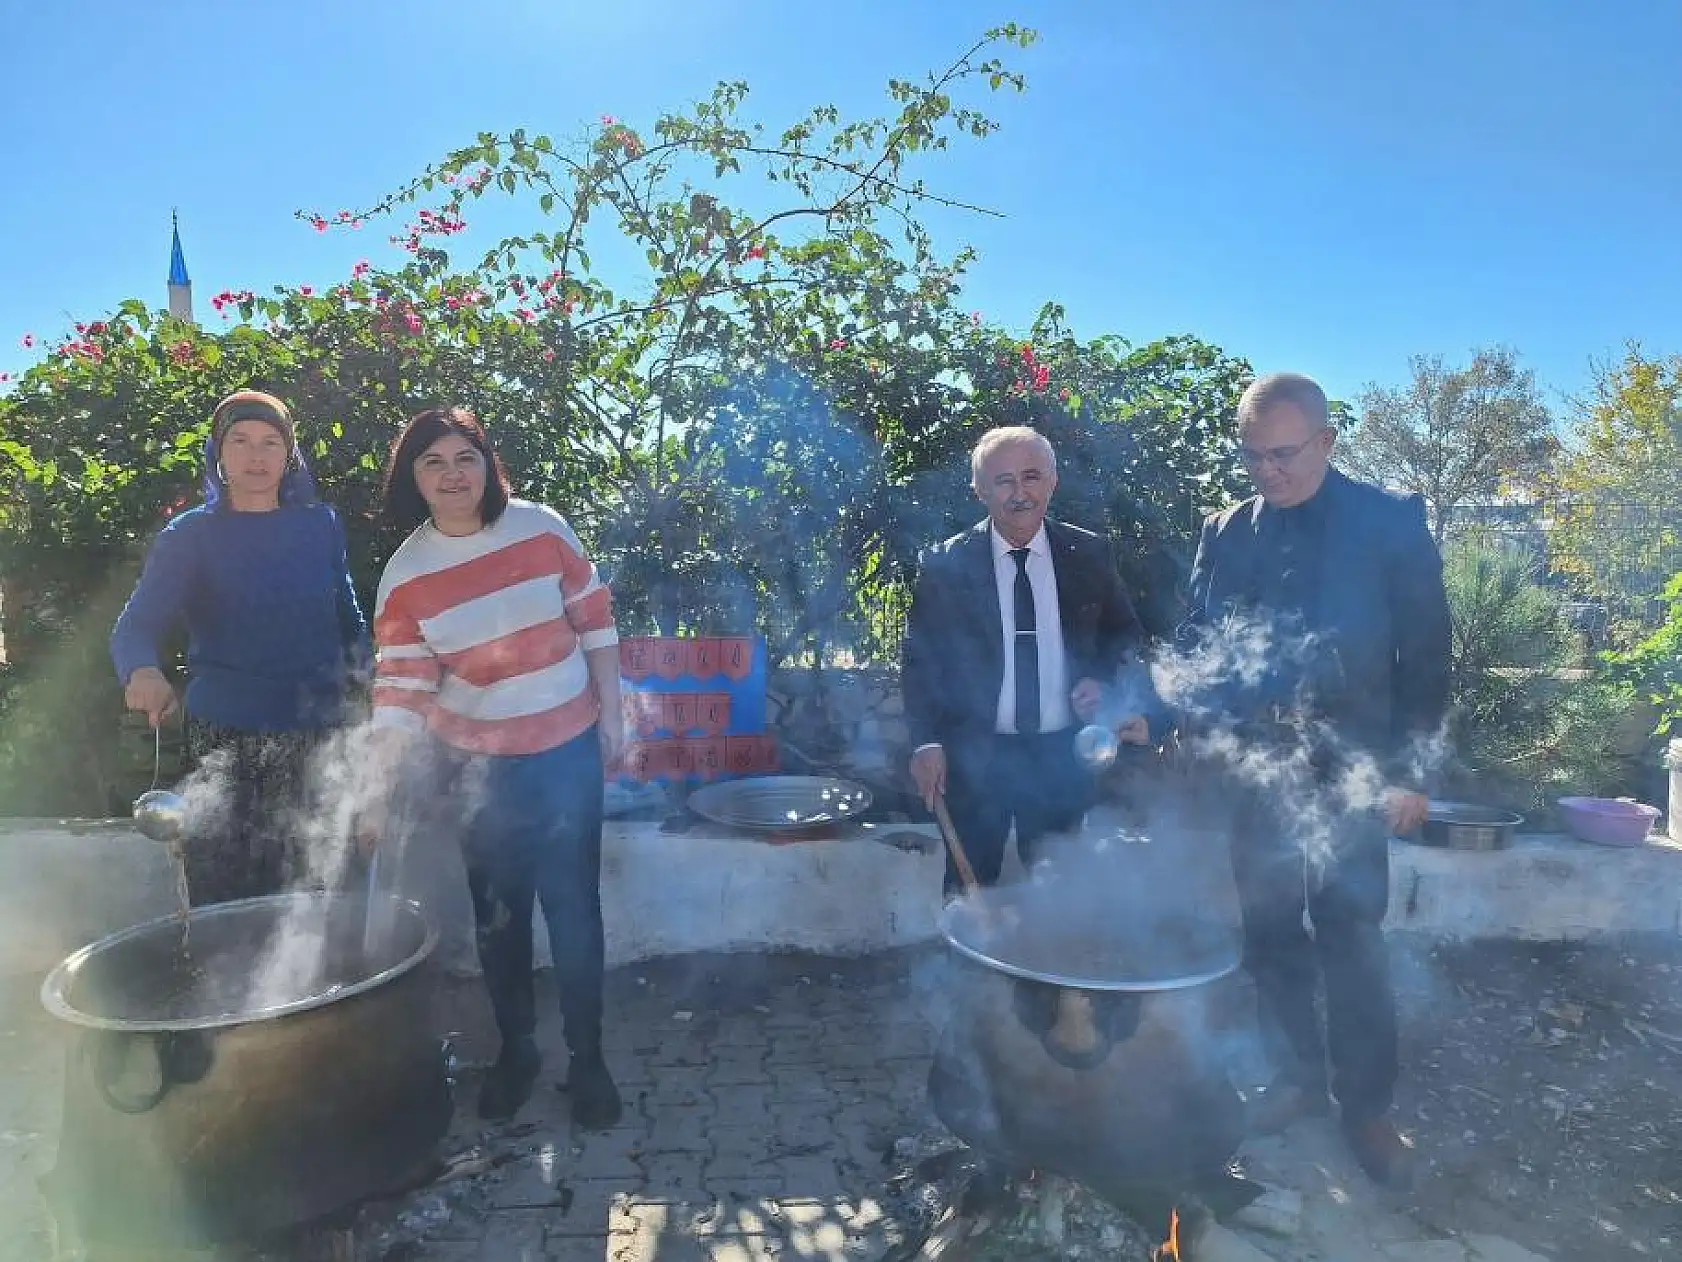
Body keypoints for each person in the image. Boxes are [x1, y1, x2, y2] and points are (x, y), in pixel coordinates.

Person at [1179, 371, 1451, 1190]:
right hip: (1257, 775)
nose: (1268, 472)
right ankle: (1296, 1079)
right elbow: (1198, 638)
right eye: (1253, 456)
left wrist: (1409, 772)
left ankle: (1365, 1107)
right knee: (1268, 935)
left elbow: (1428, 655)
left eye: (1285, 454)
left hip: (1357, 774)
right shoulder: (1225, 531)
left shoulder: (1388, 523)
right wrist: (1174, 713)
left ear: (1328, 442)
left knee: (1351, 939)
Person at [360, 406, 626, 1129]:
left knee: (575, 913)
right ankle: (518, 1052)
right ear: (412, 478)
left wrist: (615, 713)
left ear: (488, 463)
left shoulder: (541, 528)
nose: (452, 475)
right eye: (433, 462)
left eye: (465, 457)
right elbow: (403, 690)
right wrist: (377, 789)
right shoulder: (406, 576)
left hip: (566, 752)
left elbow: (595, 618)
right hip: (478, 770)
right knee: (499, 921)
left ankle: (589, 1057)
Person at [110, 390, 370, 905]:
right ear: (218, 454)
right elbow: (134, 628)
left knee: (317, 881)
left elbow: (350, 622)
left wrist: (376, 682)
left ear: (289, 455)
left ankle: (324, 986)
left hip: (318, 730)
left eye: (271, 443)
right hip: (226, 737)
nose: (257, 456)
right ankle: (222, 981)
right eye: (241, 441)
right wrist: (141, 670)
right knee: (226, 883)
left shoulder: (321, 526)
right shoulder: (189, 536)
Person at [901, 425, 1161, 895]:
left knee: (1059, 888)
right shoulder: (945, 566)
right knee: (969, 886)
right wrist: (926, 742)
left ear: (1052, 482)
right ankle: (968, 970)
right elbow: (922, 661)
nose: (1019, 493)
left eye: (1031, 477)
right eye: (1003, 481)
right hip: (975, 756)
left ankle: (1045, 971)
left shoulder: (1088, 554)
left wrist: (1103, 685)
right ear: (980, 490)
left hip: (1061, 755)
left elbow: (1124, 636)